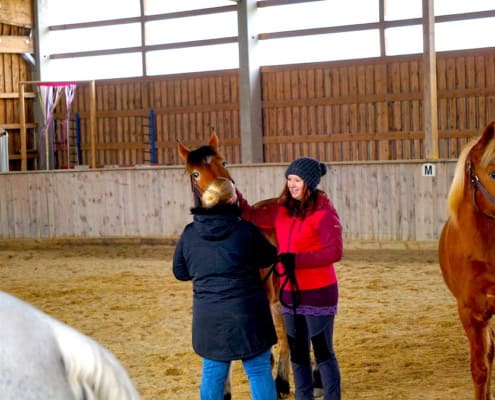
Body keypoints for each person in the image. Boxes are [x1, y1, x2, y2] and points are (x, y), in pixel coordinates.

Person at [236, 157, 343, 400]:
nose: (292, 184)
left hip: (318, 293)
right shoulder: (280, 209)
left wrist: (296, 260)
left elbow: (334, 251)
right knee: (298, 355)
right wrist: (231, 189)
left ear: (310, 183)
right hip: (290, 295)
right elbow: (251, 214)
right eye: (289, 179)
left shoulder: (324, 211)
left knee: (323, 354)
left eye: (297, 180)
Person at [172, 177, 279, 400]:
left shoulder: (190, 233)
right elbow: (269, 256)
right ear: (232, 199)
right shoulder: (246, 231)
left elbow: (180, 272)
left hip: (209, 317)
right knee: (258, 371)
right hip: (248, 315)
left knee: (212, 372)